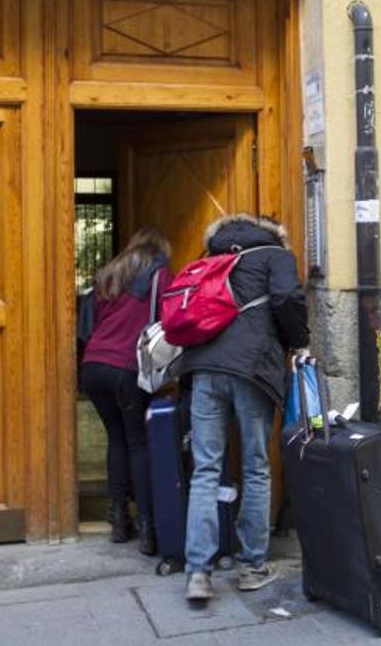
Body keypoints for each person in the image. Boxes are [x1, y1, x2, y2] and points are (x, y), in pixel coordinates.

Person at [178, 214, 309, 602]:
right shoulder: (276, 255)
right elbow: (288, 298)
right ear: (274, 233)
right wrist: (299, 341)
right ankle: (252, 567)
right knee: (255, 465)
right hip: (252, 369)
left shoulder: (212, 255)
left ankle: (198, 573)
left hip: (203, 367)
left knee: (205, 469)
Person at [79, 226, 173, 556]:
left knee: (116, 440)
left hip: (93, 365)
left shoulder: (109, 274)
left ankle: (119, 520)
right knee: (138, 443)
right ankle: (148, 527)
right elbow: (168, 319)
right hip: (126, 368)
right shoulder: (159, 274)